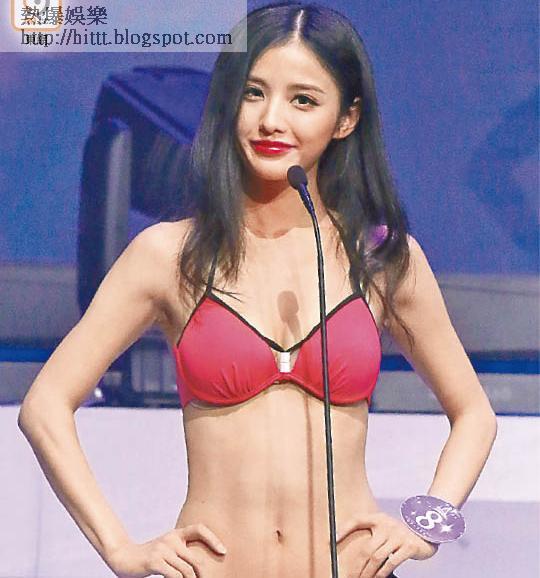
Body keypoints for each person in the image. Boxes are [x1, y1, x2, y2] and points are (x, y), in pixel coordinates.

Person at [18, 2, 498, 577]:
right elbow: (44, 405)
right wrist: (120, 549)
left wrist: (426, 527)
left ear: (346, 119)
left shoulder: (381, 258)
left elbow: (474, 413)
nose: (272, 120)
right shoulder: (168, 255)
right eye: (253, 93)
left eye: (303, 100)